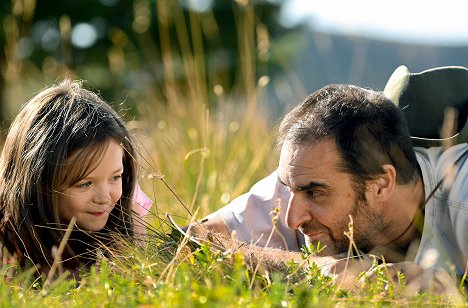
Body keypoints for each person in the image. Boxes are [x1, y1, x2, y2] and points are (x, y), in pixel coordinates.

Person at [198, 66, 468, 295]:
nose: (292, 219)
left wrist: (440, 286)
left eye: (315, 194)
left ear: (382, 184)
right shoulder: (306, 174)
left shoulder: (462, 196)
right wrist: (312, 269)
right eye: (289, 189)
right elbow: (193, 239)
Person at [0, 79, 151, 279]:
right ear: (40, 181)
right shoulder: (8, 233)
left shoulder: (127, 204)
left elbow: (138, 269)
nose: (105, 197)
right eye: (85, 183)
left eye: (115, 177)